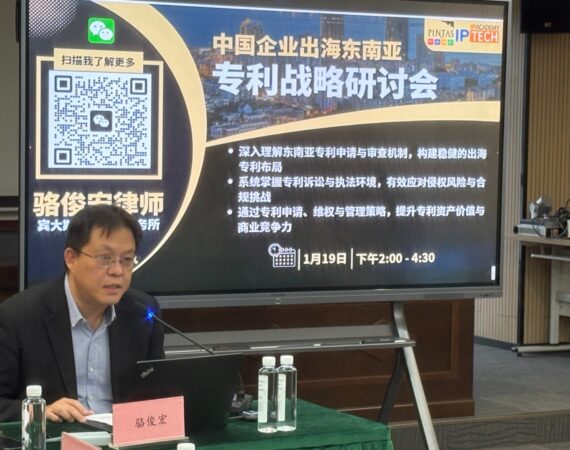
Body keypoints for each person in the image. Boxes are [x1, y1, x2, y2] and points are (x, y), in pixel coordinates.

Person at [0, 204, 164, 423]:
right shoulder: (18, 317)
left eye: (127, 260)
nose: (118, 271)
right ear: (71, 259)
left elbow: (160, 398)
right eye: (105, 258)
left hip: (123, 438)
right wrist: (38, 411)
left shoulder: (142, 313)